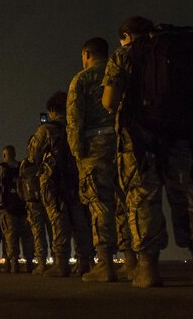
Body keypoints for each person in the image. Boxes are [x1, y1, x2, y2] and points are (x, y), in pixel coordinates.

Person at [102, 16, 193, 287]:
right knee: (191, 195)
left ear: (126, 36)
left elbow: (109, 100)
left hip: (141, 140)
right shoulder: (184, 47)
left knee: (143, 198)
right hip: (186, 136)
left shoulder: (126, 54)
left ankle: (148, 270)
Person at [66, 37, 123, 282]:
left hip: (95, 146)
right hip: (124, 144)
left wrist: (78, 153)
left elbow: (75, 120)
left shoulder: (82, 79)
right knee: (125, 202)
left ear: (87, 54)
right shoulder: (120, 72)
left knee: (99, 203)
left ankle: (105, 264)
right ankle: (131, 260)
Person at [27, 91, 93, 278]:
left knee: (59, 221)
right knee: (81, 222)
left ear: (52, 110)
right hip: (77, 178)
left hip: (54, 182)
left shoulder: (47, 129)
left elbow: (33, 156)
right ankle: (84, 262)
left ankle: (61, 263)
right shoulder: (78, 126)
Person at [0, 146, 34, 273]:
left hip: (6, 207)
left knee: (10, 236)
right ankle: (29, 262)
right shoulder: (23, 167)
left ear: (4, 155)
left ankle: (14, 263)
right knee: (27, 236)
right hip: (23, 205)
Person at [18, 145, 52, 275]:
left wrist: (26, 199)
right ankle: (59, 261)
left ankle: (42, 263)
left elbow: (20, 185)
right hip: (49, 199)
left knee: (38, 233)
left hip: (33, 202)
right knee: (53, 231)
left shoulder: (26, 163)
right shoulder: (48, 159)